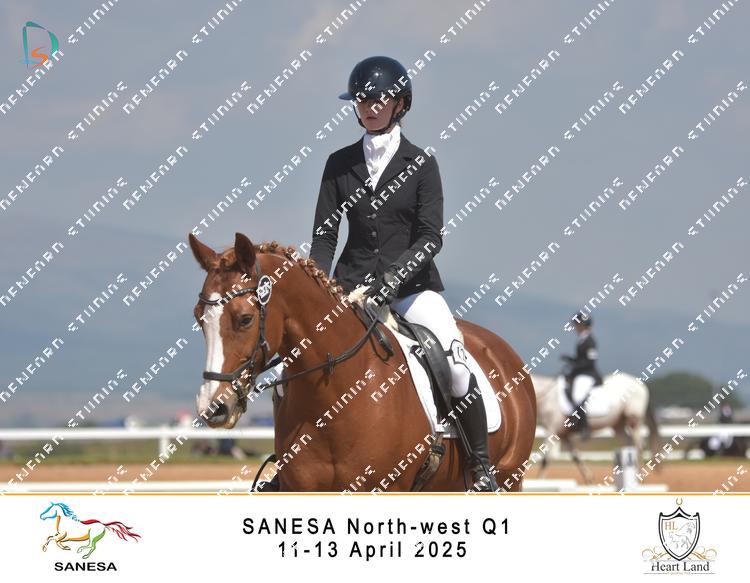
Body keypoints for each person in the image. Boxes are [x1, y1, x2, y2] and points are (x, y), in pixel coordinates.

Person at [308, 55, 497, 491]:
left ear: (400, 104)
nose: (369, 107)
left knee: (456, 368)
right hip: (351, 287)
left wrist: (392, 280)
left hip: (412, 290)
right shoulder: (339, 164)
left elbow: (431, 237)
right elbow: (324, 236)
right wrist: (319, 288)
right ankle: (291, 464)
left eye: (379, 100)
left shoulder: (421, 164)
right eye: (362, 101)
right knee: (301, 361)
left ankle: (480, 466)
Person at [560, 312, 603, 438]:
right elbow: (581, 359)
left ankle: (584, 427)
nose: (575, 327)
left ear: (583, 325)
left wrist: (574, 365)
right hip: (580, 373)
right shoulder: (581, 339)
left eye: (577, 324)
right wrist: (570, 359)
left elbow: (590, 361)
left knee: (578, 396)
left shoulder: (590, 341)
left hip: (588, 373)